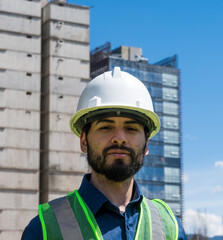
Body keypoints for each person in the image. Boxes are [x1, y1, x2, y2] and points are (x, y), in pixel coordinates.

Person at [22, 67, 187, 240]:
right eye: (105, 127)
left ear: (146, 144)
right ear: (84, 141)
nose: (119, 138)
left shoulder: (170, 228)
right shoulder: (45, 229)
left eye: (131, 128)